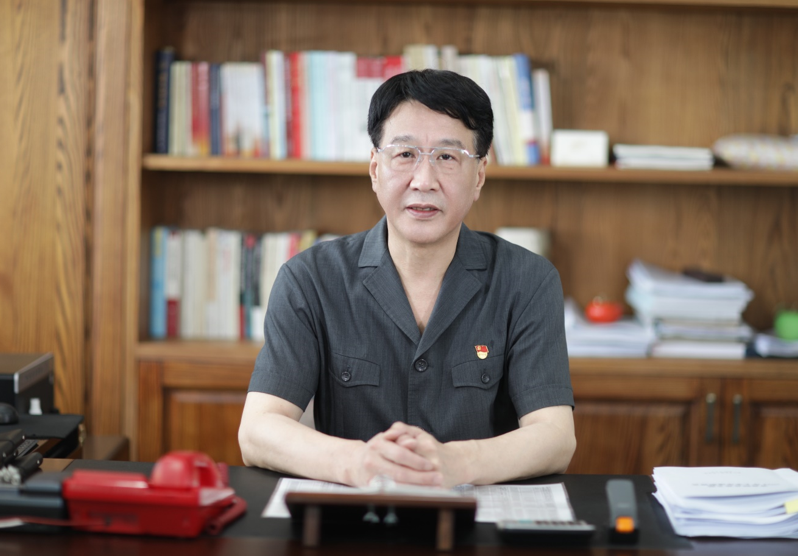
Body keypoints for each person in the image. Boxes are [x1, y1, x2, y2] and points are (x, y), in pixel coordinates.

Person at [238, 69, 575, 489]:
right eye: (405, 154)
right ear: (375, 169)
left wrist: (457, 462)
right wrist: (358, 462)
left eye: (448, 157)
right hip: (356, 509)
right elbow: (258, 430)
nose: (424, 181)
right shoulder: (310, 279)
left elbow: (556, 437)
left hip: (477, 512)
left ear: (479, 176)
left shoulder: (528, 281)